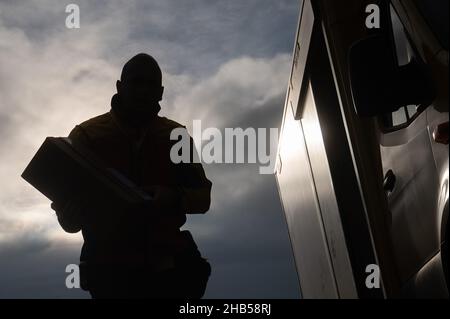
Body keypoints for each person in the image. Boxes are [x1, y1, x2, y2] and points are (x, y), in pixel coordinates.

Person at [50, 53, 212, 298]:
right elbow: (69, 218)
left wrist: (172, 197)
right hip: (110, 275)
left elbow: (203, 198)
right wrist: (67, 215)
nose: (143, 90)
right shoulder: (86, 135)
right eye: (136, 82)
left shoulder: (176, 136)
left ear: (160, 92)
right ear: (119, 86)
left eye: (150, 84)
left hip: (168, 274)